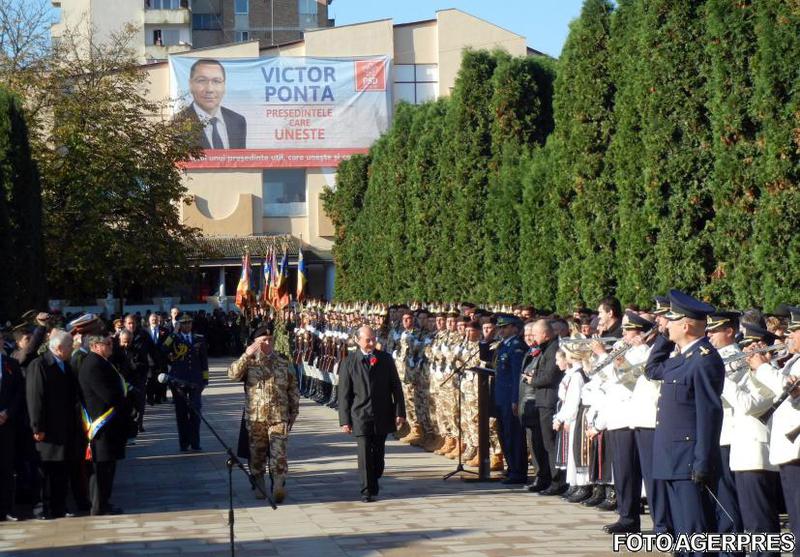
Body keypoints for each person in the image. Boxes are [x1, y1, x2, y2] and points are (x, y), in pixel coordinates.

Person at [644, 289, 725, 550]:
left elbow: (708, 414)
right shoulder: (683, 358)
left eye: (672, 320)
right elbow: (652, 370)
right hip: (671, 457)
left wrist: (702, 461)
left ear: (686, 325)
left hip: (688, 460)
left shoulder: (704, 360)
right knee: (681, 533)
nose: (666, 324)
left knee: (695, 530)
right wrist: (665, 340)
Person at [228, 324, 299, 504]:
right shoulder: (250, 362)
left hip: (278, 416)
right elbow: (232, 375)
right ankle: (258, 481)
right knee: (257, 454)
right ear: (255, 343)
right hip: (256, 417)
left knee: (279, 453)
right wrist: (247, 354)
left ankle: (278, 485)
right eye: (263, 340)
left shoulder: (283, 361)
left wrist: (294, 411)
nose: (267, 343)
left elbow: (293, 388)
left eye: (270, 340)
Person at [338, 325, 406, 502]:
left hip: (382, 412)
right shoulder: (349, 362)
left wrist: (400, 412)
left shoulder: (385, 359)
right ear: (358, 340)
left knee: (378, 455)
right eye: (367, 339)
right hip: (360, 414)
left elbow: (396, 388)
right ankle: (367, 490)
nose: (371, 342)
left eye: (373, 339)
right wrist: (345, 420)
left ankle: (375, 476)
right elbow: (344, 394)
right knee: (364, 453)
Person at [26, 330, 83, 520]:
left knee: (61, 469)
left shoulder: (64, 365)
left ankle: (60, 506)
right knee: (45, 471)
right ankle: (42, 508)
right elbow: (36, 398)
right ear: (59, 348)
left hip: (64, 428)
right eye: (69, 346)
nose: (72, 349)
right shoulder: (39, 365)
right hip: (47, 429)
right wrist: (37, 427)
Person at [78, 335, 128, 516]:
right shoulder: (93, 365)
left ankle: (104, 502)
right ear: (95, 346)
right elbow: (108, 394)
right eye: (107, 343)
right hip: (102, 425)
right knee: (101, 469)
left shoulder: (102, 361)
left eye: (111, 342)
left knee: (108, 467)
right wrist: (124, 401)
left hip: (110, 425)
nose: (111, 346)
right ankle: (99, 506)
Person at [521, 319, 565, 495]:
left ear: (545, 334)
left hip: (549, 400)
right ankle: (547, 478)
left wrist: (533, 380)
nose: (533, 337)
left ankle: (557, 481)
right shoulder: (546, 348)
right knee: (543, 443)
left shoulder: (553, 348)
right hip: (542, 400)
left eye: (536, 334)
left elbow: (550, 377)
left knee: (550, 443)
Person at [176, 58, 247, 149]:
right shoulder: (178, 123)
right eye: (201, 80)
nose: (209, 89)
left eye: (216, 81)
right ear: (191, 85)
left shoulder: (238, 121)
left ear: (224, 85)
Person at [163, 314, 209, 452]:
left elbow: (203, 361)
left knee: (195, 412)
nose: (187, 325)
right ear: (179, 325)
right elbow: (163, 348)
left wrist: (204, 380)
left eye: (189, 323)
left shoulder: (199, 339)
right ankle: (184, 443)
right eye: (184, 323)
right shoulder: (174, 339)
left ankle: (195, 442)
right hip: (179, 381)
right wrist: (173, 333)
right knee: (181, 413)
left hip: (195, 381)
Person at [493, 313, 528, 485]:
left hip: (510, 398)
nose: (501, 330)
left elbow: (516, 377)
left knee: (513, 435)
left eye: (505, 327)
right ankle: (511, 467)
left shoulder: (516, 347)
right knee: (504, 434)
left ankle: (518, 471)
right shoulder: (504, 345)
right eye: (500, 327)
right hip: (501, 397)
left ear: (515, 328)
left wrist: (516, 399)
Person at [0, 346, 23, 521]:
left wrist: (8, 412)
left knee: (6, 467)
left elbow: (19, 392)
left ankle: (7, 508)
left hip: (7, 422)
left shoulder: (11, 363)